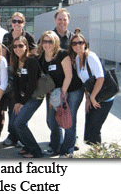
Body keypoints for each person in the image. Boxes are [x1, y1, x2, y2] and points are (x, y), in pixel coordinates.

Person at [38, 30, 84, 158]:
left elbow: (69, 76)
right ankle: (56, 147)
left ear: (55, 42)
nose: (47, 44)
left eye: (50, 41)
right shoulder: (42, 57)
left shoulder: (62, 54)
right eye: (45, 41)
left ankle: (67, 150)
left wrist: (62, 95)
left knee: (68, 119)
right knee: (52, 120)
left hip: (72, 89)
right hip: (55, 91)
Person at [69, 33, 114, 145]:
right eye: (74, 43)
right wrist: (88, 99)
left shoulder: (91, 57)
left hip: (104, 98)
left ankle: (98, 156)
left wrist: (93, 97)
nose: (77, 45)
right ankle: (94, 154)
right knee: (89, 131)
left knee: (94, 129)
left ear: (85, 44)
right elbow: (86, 82)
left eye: (80, 42)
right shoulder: (77, 59)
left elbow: (100, 78)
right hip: (93, 98)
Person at [2, 12, 36, 147]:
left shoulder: (28, 37)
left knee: (22, 107)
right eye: (14, 21)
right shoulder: (6, 36)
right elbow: (3, 55)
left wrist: (23, 63)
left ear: (23, 23)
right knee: (12, 106)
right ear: (11, 23)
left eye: (19, 21)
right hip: (11, 73)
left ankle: (20, 135)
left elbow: (33, 54)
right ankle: (13, 135)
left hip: (25, 74)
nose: (16, 24)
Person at [9, 36, 44, 158]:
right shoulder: (15, 60)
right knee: (13, 123)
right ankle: (27, 145)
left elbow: (32, 85)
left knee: (19, 123)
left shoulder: (31, 61)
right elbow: (16, 85)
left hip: (34, 97)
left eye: (20, 46)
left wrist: (22, 103)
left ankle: (36, 152)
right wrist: (17, 102)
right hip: (23, 98)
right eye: (15, 46)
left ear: (26, 47)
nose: (17, 48)